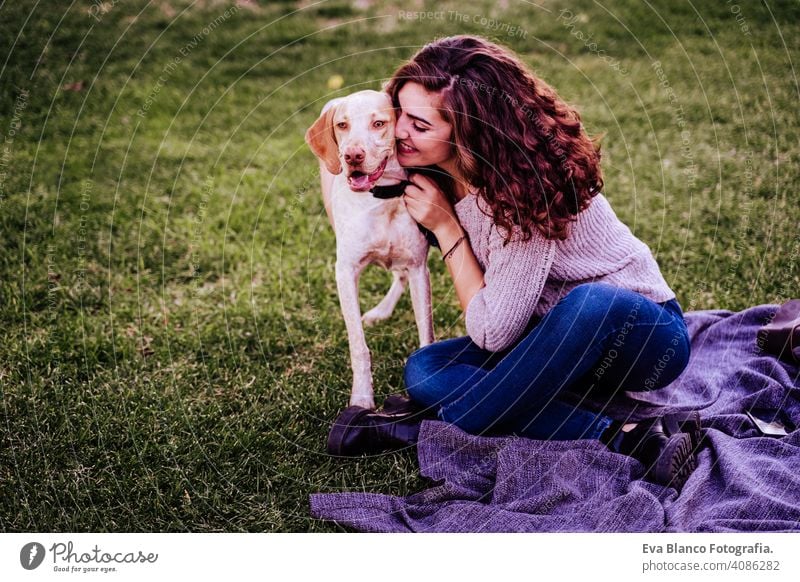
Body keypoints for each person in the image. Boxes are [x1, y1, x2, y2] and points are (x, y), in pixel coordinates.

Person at [323, 35, 700, 489]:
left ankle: (414, 430)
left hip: (642, 336)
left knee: (587, 303)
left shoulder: (523, 191)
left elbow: (491, 331)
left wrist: (446, 230)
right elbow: (350, 157)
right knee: (426, 368)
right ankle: (625, 436)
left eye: (419, 126)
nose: (401, 133)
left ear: (469, 131)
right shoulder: (437, 170)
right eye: (401, 115)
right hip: (547, 341)